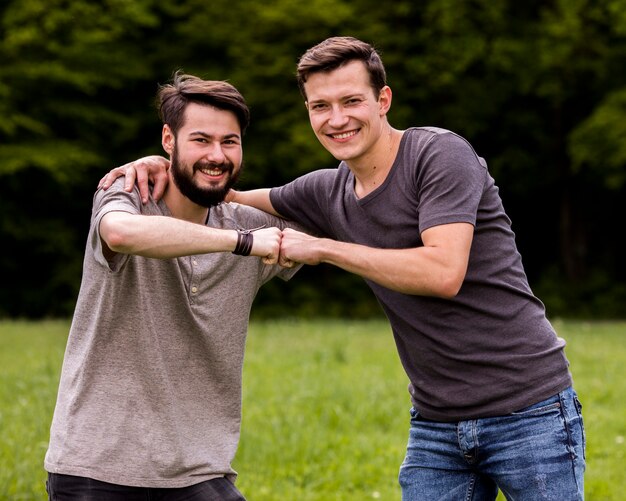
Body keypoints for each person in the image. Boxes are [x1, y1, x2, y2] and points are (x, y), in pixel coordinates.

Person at [100, 37, 586, 500]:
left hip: (529, 409)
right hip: (437, 422)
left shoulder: (437, 155)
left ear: (383, 100)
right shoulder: (325, 191)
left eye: (351, 101)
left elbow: (443, 272)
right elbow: (218, 188)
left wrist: (325, 249)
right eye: (320, 106)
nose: (336, 120)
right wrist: (161, 162)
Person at [44, 72, 301, 501]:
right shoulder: (127, 195)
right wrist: (242, 243)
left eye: (229, 142)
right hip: (96, 469)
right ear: (169, 139)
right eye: (200, 140)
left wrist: (236, 204)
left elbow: (340, 205)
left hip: (199, 470)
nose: (216, 155)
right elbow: (121, 235)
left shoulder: (251, 224)